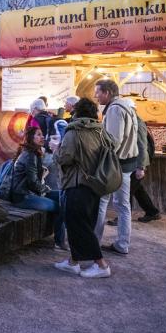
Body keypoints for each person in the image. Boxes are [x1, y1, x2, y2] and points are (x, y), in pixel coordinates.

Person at [52, 97, 111, 278]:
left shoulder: (74, 131)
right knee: (83, 223)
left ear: (77, 112)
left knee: (79, 225)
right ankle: (73, 262)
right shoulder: (100, 130)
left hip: (77, 184)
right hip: (96, 183)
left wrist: (55, 150)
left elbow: (65, 158)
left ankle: (101, 265)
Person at [94, 79, 138, 256]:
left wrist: (99, 157)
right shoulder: (127, 107)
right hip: (127, 164)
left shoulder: (114, 109)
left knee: (101, 202)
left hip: (114, 165)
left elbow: (113, 141)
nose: (96, 96)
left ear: (107, 93)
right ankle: (122, 244)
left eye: (98, 92)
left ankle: (94, 241)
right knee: (123, 205)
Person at [11, 126, 65, 250]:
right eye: (39, 135)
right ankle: (59, 242)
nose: (42, 137)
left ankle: (63, 236)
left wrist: (44, 189)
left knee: (64, 195)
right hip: (23, 196)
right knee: (60, 206)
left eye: (42, 134)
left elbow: (34, 182)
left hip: (31, 192)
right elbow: (32, 183)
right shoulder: (30, 155)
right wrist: (45, 190)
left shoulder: (33, 153)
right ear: (31, 138)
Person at [109, 99, 160, 225]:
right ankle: (152, 212)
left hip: (136, 163)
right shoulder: (132, 121)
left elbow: (142, 145)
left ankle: (123, 218)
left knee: (128, 192)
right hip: (133, 162)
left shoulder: (138, 123)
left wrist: (141, 167)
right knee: (137, 190)